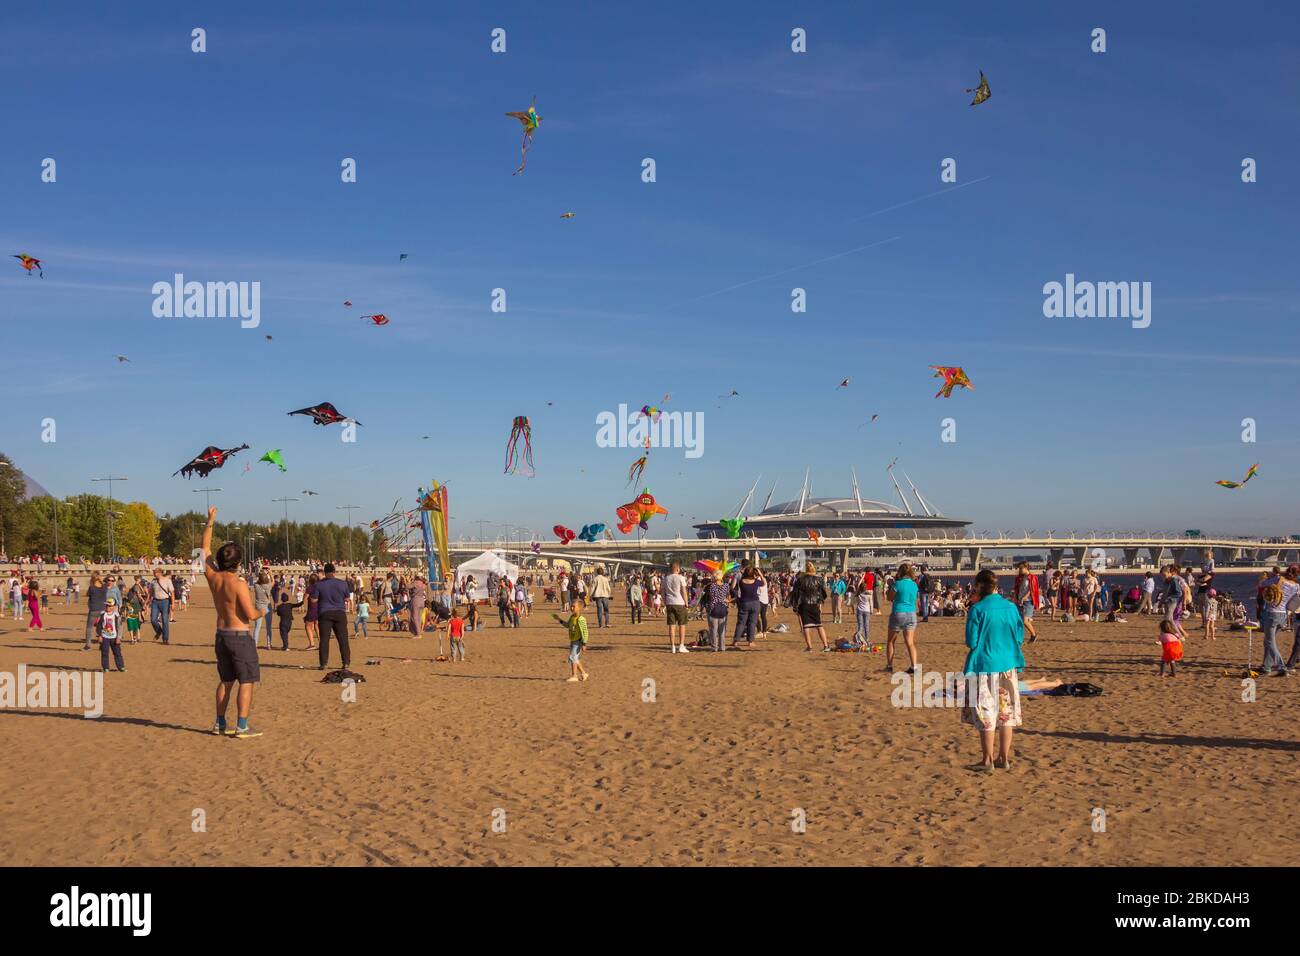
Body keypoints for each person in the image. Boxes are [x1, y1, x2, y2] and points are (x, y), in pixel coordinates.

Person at [201, 507, 262, 738]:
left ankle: (219, 723)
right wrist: (263, 611)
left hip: (221, 634)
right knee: (246, 681)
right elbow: (248, 614)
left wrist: (210, 521)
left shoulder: (212, 576)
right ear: (238, 563)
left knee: (225, 680)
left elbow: (204, 548)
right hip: (238, 636)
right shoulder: (238, 584)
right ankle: (242, 725)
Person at [961, 569, 1025, 772]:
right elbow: (1019, 635)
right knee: (1006, 713)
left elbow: (971, 641)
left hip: (984, 665)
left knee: (986, 712)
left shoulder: (977, 609)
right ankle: (1003, 758)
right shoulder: (1011, 608)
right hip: (1007, 664)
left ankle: (987, 760)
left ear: (979, 586)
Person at [312, 563, 351, 670]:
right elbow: (347, 599)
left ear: (324, 572)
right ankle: (346, 662)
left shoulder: (319, 585)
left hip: (325, 613)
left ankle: (323, 663)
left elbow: (313, 600)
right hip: (340, 612)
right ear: (334, 572)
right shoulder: (342, 583)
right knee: (343, 639)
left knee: (324, 639)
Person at [887, 562, 920, 673]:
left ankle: (890, 666)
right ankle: (914, 666)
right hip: (911, 613)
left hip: (898, 612)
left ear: (900, 572)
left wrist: (891, 586)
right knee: (910, 642)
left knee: (891, 641)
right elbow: (914, 599)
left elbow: (889, 597)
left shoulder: (898, 584)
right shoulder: (914, 585)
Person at [791, 561, 830, 652]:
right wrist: (819, 602)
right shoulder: (819, 579)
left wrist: (795, 606)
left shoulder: (800, 580)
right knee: (819, 625)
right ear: (813, 569)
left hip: (804, 605)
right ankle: (826, 646)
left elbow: (795, 593)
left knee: (806, 626)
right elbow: (823, 593)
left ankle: (810, 647)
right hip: (814, 605)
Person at [558, 598, 590, 682]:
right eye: (571, 606)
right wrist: (559, 620)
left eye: (573, 606)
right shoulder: (572, 617)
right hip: (572, 641)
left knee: (572, 657)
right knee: (575, 658)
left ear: (579, 608)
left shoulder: (581, 619)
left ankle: (574, 676)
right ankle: (583, 673)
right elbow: (567, 625)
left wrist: (584, 643)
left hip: (578, 641)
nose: (571, 608)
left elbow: (585, 631)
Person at [663, 561, 690, 654]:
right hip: (680, 603)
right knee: (682, 625)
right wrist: (687, 603)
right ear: (678, 569)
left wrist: (665, 602)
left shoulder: (665, 579)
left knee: (671, 625)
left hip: (669, 603)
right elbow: (684, 592)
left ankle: (672, 646)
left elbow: (663, 593)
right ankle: (681, 645)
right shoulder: (681, 578)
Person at [1011, 562, 1040, 643]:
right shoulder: (1019, 578)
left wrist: (1025, 597)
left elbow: (1032, 590)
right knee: (1019, 620)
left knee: (1025, 620)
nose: (1019, 570)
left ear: (1026, 568)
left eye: (1021, 568)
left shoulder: (1032, 577)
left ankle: (1033, 635)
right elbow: (1017, 589)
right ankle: (1019, 638)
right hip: (1019, 600)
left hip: (1029, 601)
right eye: (1019, 568)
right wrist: (1015, 597)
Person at [703, 569, 731, 652]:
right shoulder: (726, 585)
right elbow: (729, 596)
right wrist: (727, 601)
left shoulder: (710, 586)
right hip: (723, 608)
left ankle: (714, 647)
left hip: (713, 608)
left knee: (713, 630)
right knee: (722, 630)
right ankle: (722, 647)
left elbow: (706, 597)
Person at [95, 597, 126, 673]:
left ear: (114, 607)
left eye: (110, 606)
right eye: (107, 605)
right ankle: (106, 667)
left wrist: (119, 637)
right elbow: (98, 626)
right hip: (104, 637)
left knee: (117, 653)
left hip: (114, 637)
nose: (108, 607)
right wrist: (99, 635)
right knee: (104, 652)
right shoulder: (102, 614)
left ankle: (121, 667)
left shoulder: (116, 615)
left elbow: (120, 627)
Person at [148, 568, 174, 645]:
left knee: (165, 621)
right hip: (155, 602)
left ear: (159, 573)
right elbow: (151, 593)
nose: (153, 574)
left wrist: (172, 604)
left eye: (154, 573)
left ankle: (165, 639)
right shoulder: (153, 581)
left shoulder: (167, 581)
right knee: (153, 620)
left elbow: (172, 593)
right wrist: (147, 603)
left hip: (165, 601)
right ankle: (159, 631)